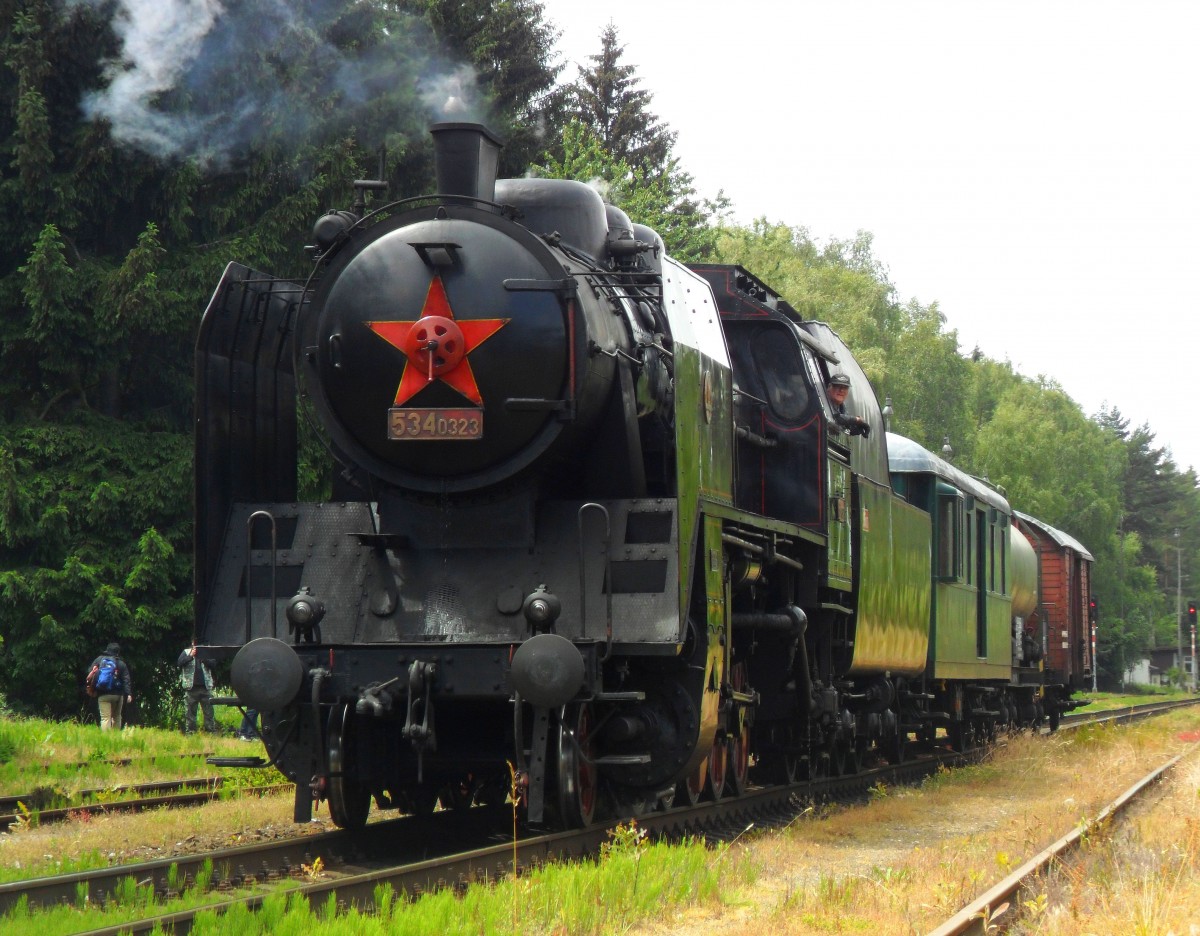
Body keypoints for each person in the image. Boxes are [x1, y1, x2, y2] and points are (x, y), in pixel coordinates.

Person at [87, 642, 133, 731]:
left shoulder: (99, 660)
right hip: (118, 695)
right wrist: (129, 694)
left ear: (107, 650)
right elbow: (126, 680)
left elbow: (90, 672)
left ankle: (106, 739)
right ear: (118, 652)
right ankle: (115, 738)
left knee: (105, 718)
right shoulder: (121, 663)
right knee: (117, 716)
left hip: (103, 694)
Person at [177, 641, 217, 734]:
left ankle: (210, 732)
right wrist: (191, 656)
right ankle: (191, 733)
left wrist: (204, 659)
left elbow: (213, 664)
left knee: (209, 713)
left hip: (205, 688)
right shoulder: (186, 652)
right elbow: (179, 663)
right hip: (191, 688)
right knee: (190, 713)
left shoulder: (207, 652)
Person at [826, 373, 871, 437]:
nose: (841, 390)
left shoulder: (842, 408)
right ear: (829, 387)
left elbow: (842, 423)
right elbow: (834, 417)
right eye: (837, 386)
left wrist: (853, 429)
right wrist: (857, 419)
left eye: (845, 387)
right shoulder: (821, 400)